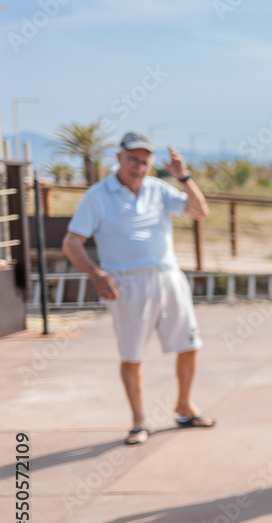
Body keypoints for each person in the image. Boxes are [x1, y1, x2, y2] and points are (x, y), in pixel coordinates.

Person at [62, 131, 213, 445]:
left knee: (189, 344)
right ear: (119, 157)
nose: (138, 166)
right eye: (133, 158)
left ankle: (185, 406)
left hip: (167, 275)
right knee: (132, 354)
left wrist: (183, 176)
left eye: (145, 161)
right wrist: (96, 275)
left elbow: (199, 211)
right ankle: (139, 421)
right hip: (127, 283)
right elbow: (71, 242)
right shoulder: (97, 196)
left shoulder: (159, 190)